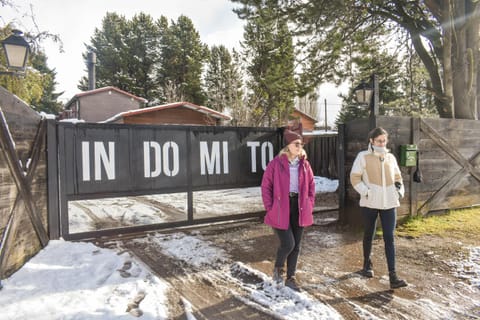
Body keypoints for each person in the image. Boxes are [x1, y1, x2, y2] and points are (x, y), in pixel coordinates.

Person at [350, 127, 408, 289]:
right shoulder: (363, 156)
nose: (382, 143)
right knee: (369, 233)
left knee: (389, 237)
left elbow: (398, 177)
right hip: (370, 203)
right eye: (379, 141)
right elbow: (354, 178)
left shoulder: (390, 157)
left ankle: (393, 276)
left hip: (389, 203)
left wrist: (398, 191)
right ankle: (367, 265)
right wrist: (366, 192)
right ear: (372, 141)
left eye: (384, 140)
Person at [260, 126, 315, 291]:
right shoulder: (275, 164)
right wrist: (270, 207)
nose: (300, 147)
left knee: (296, 245)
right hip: (280, 207)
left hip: (300, 206)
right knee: (288, 243)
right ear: (288, 146)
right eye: (297, 144)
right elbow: (265, 187)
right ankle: (278, 268)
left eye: (301, 144)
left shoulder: (305, 165)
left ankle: (290, 278)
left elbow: (312, 186)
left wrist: (309, 203)